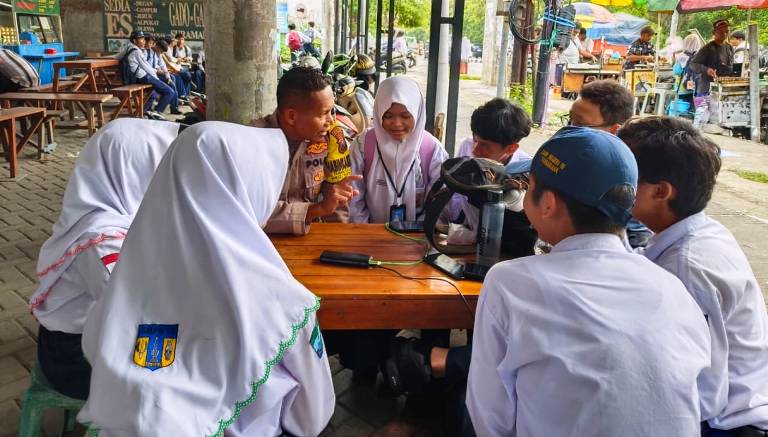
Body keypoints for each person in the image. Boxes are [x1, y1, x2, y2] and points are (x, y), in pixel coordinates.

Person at [77, 122, 335, 435]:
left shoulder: (128, 275)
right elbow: (310, 418)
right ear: (248, 188)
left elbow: (97, 347)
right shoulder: (284, 304)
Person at [466, 126, 711, 436]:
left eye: (529, 186)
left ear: (548, 203)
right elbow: (704, 396)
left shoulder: (509, 283)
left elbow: (490, 420)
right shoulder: (671, 286)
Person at [618, 117, 768, 437]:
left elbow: (700, 388)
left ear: (660, 191)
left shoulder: (685, 267)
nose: (611, 182)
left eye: (623, 176)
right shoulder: (697, 231)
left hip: (725, 424)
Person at [29, 119, 179, 400]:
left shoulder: (111, 212)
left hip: (88, 334)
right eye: (159, 167)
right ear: (133, 171)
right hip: (72, 358)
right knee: (173, 378)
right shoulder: (103, 238)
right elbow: (139, 312)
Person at [252, 66, 361, 235]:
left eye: (332, 111)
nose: (331, 121)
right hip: (262, 243)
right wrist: (316, 210)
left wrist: (340, 243)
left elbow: (336, 203)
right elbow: (253, 212)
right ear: (291, 116)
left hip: (311, 240)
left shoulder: (332, 138)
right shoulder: (253, 142)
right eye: (324, 113)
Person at [348, 76, 448, 224]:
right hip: (371, 238)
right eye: (388, 116)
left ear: (417, 113)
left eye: (405, 116)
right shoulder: (363, 147)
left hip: (417, 238)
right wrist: (368, 235)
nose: (397, 124)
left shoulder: (432, 150)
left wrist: (417, 234)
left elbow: (441, 203)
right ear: (378, 112)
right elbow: (354, 199)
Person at [568, 79, 653, 248]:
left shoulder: (624, 174)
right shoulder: (573, 148)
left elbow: (639, 236)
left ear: (614, 129)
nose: (570, 129)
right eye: (570, 120)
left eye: (580, 125)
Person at [689, 19, 734, 126]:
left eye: (726, 31)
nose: (724, 34)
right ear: (714, 33)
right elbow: (693, 64)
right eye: (721, 31)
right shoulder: (707, 48)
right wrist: (706, 70)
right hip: (705, 88)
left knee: (717, 121)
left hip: (722, 88)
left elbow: (731, 66)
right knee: (701, 120)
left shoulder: (729, 48)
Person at [121, 30, 176, 119]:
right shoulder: (137, 52)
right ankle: (156, 113)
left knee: (155, 93)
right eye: (141, 39)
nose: (144, 41)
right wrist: (157, 80)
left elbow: (118, 56)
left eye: (144, 39)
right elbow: (147, 68)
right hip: (143, 77)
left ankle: (148, 112)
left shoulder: (130, 48)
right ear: (135, 41)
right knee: (169, 92)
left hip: (143, 76)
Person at [146, 37, 182, 115]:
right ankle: (162, 109)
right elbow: (147, 68)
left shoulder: (158, 54)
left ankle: (172, 107)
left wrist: (168, 77)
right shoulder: (148, 52)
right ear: (157, 47)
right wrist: (159, 71)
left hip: (157, 75)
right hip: (150, 76)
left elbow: (163, 66)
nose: (161, 53)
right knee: (170, 90)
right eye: (161, 50)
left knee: (171, 80)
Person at [156, 39, 191, 103]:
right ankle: (179, 98)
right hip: (158, 73)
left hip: (165, 70)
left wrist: (167, 73)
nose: (175, 42)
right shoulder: (162, 51)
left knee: (182, 76)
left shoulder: (165, 50)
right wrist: (168, 71)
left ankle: (182, 96)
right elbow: (168, 62)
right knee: (178, 76)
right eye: (174, 41)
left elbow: (163, 65)